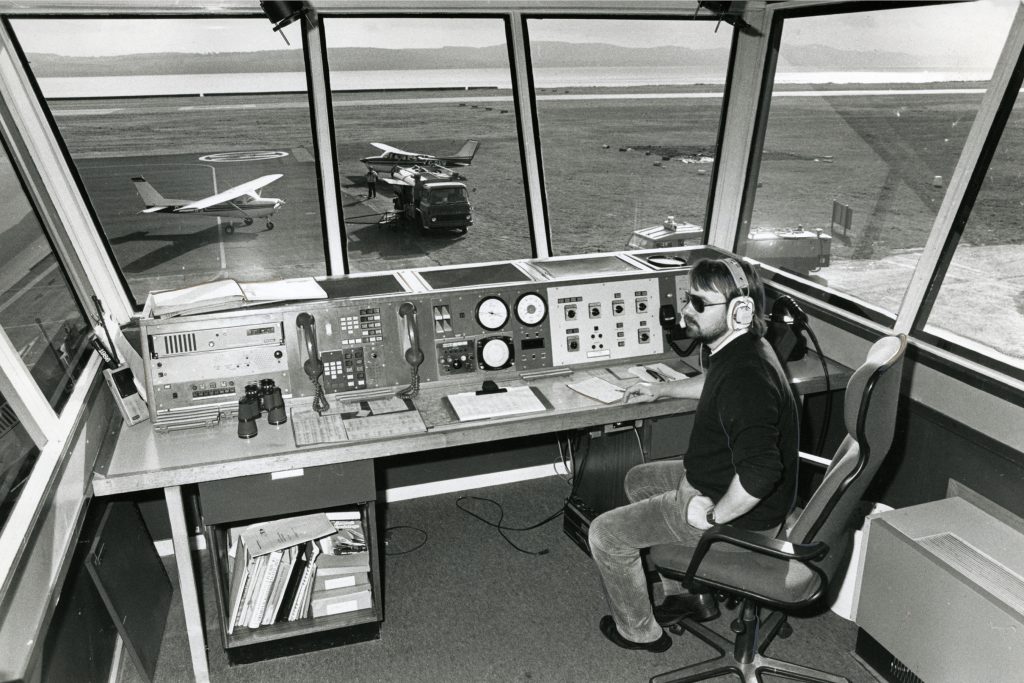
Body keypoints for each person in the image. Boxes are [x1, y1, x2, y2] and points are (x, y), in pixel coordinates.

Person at [588, 256, 799, 653]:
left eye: (700, 304)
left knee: (605, 535)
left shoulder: (745, 379)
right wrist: (662, 390)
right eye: (688, 299)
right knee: (639, 479)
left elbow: (760, 474)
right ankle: (688, 595)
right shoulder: (744, 348)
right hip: (722, 483)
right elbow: (715, 383)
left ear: (740, 310)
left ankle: (640, 632)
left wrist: (712, 517)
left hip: (738, 512)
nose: (686, 310)